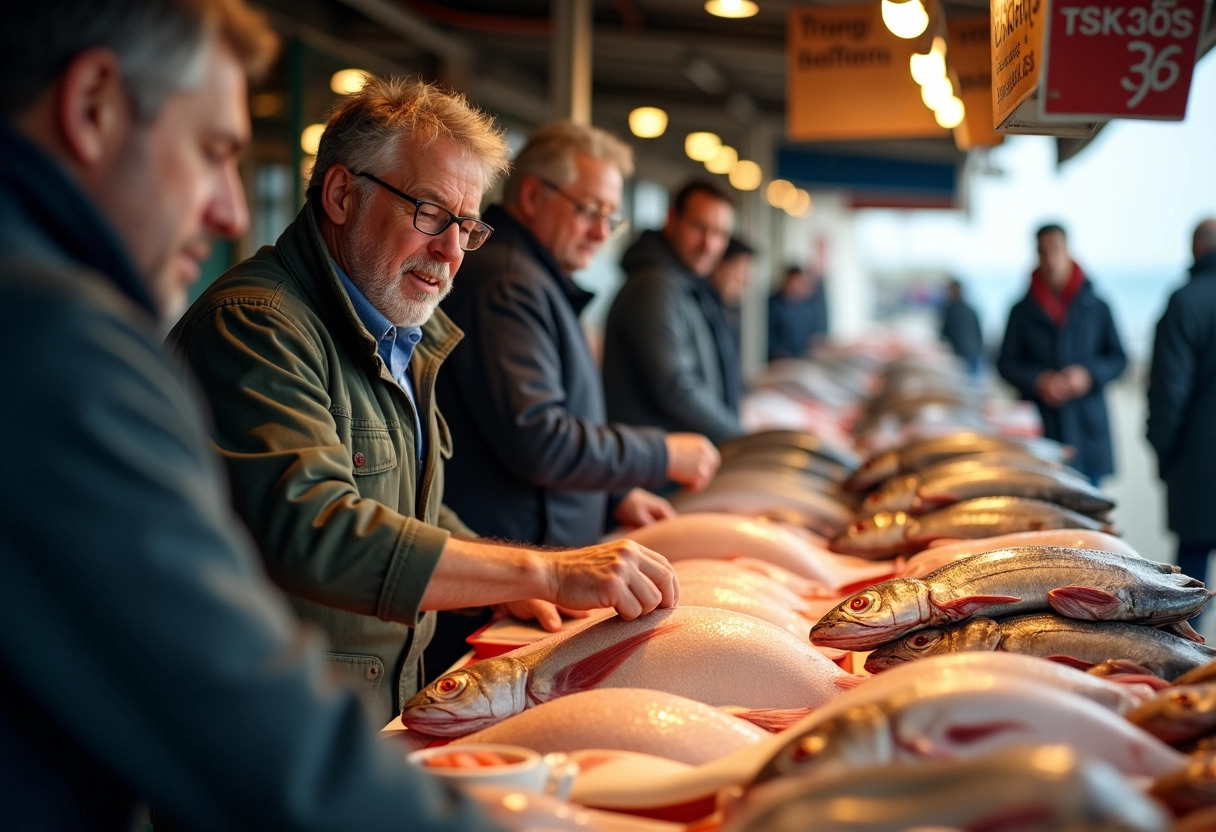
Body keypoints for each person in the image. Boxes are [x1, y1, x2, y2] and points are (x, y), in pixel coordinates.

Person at [0, 1, 516, 829]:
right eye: (213, 153)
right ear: (93, 105)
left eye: (466, 225)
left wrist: (519, 572)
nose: (229, 213)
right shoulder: (59, 341)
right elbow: (228, 690)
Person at [167, 78, 678, 726]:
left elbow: (416, 514)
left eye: (467, 226)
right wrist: (540, 574)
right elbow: (315, 526)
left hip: (359, 725)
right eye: (431, 214)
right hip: (264, 738)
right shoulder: (255, 325)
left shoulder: (399, 332)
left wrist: (504, 584)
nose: (452, 252)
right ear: (341, 195)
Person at [601, 180, 742, 443]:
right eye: (699, 227)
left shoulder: (684, 283)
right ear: (671, 219)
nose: (709, 244)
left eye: (721, 234)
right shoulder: (654, 286)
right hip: (657, 471)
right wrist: (739, 437)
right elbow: (676, 386)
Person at [997, 223, 1127, 485]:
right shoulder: (1020, 310)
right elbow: (1005, 363)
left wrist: (1087, 375)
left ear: (1068, 251)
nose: (1050, 259)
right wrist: (1038, 380)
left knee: (1090, 513)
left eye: (1056, 250)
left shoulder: (1097, 305)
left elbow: (1119, 359)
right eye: (1043, 252)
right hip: (1039, 428)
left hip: (1087, 427)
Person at [1147, 218, 1216, 593]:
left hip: (1198, 461)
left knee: (1191, 586)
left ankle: (1192, 650)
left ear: (1195, 249)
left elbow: (1168, 391)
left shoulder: (1186, 300)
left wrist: (1162, 450)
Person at [767, 264, 829, 362]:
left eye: (800, 282)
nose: (796, 286)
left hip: (804, 358)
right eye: (794, 282)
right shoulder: (773, 305)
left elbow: (813, 337)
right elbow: (769, 337)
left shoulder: (806, 306)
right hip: (780, 361)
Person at [939, 277, 984, 375]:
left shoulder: (950, 310)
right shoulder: (971, 310)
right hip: (973, 352)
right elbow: (979, 332)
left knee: (961, 384)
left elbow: (944, 334)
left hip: (959, 354)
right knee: (973, 384)